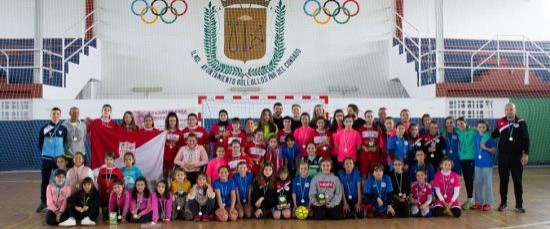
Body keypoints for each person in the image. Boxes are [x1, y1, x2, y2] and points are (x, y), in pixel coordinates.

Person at [492, 103, 529, 213]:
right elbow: (494, 134)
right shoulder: (500, 122)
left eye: (511, 109)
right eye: (507, 109)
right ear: (505, 111)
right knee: (503, 181)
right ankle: (503, 203)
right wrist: (481, 131)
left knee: (518, 181)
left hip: (517, 157)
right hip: (503, 157)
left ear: (515, 110)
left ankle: (519, 204)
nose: (509, 111)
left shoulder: (521, 122)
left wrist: (525, 154)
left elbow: (526, 139)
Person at [37, 107, 68, 212]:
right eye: (53, 113)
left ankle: (61, 202)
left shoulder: (63, 129)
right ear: (50, 115)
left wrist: (59, 155)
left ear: (60, 115)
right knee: (45, 180)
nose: (55, 115)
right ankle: (43, 202)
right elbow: (40, 144)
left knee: (61, 180)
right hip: (47, 158)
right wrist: (47, 153)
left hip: (59, 159)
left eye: (57, 114)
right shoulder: (44, 128)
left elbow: (64, 143)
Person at [456, 116, 490, 210]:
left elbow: (487, 132)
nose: (460, 126)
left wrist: (483, 141)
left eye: (462, 123)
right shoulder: (458, 131)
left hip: (471, 159)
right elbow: (447, 130)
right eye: (458, 124)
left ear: (466, 123)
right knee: (467, 180)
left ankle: (475, 200)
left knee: (471, 180)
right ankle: (470, 199)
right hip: (462, 159)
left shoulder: (473, 131)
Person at [472, 120, 496, 211]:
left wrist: (485, 148)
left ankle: (487, 203)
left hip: (487, 164)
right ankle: (478, 203)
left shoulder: (489, 137)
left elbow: (494, 151)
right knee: (478, 184)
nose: (481, 129)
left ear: (486, 128)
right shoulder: (476, 136)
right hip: (477, 164)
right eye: (479, 127)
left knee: (488, 184)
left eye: (483, 127)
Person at [86, 104, 117, 169]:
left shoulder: (113, 124)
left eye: (108, 110)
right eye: (105, 110)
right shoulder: (95, 122)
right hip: (97, 149)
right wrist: (86, 123)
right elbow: (86, 130)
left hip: (108, 149)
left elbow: (117, 136)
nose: (106, 111)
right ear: (102, 111)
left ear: (110, 112)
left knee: (109, 166)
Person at [97, 151, 123, 220]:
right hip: (104, 196)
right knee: (105, 216)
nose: (109, 161)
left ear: (114, 160)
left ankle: (113, 224)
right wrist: (99, 194)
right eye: (107, 159)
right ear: (104, 160)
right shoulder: (102, 171)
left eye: (111, 159)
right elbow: (99, 183)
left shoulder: (118, 171)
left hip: (114, 196)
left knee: (112, 216)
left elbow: (120, 184)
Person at [357, 110, 382, 178]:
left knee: (374, 173)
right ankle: (364, 188)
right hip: (364, 154)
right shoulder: (360, 129)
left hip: (375, 154)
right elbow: (359, 142)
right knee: (364, 173)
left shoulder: (377, 128)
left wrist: (376, 147)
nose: (370, 118)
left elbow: (381, 142)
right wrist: (363, 147)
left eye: (371, 116)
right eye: (368, 117)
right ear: (365, 118)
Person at [163, 112, 183, 178]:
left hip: (174, 158)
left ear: (176, 122)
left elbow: (181, 147)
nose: (172, 122)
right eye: (170, 121)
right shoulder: (164, 132)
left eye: (174, 121)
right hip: (165, 158)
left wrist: (179, 158)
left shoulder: (180, 133)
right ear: (167, 121)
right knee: (164, 175)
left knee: (172, 175)